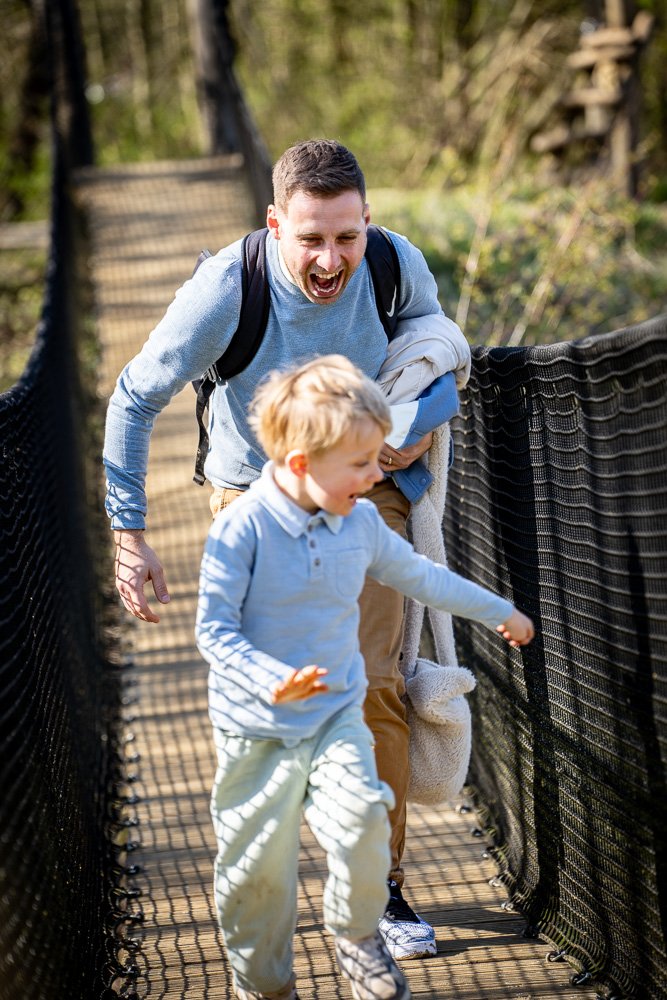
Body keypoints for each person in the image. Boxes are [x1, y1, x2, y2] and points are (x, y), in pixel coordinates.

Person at [104, 138, 472, 960]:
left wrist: (417, 424)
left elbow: (441, 353)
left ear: (367, 220)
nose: (331, 260)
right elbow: (133, 396)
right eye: (311, 239)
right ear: (275, 226)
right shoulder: (225, 289)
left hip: (365, 488)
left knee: (369, 684)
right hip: (254, 498)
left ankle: (377, 888)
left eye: (346, 236)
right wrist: (130, 537)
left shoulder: (394, 264)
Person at [196, 356, 534, 1000]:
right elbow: (216, 632)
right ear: (303, 465)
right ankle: (263, 984)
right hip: (258, 732)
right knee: (254, 874)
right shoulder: (242, 530)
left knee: (362, 826)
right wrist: (271, 680)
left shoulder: (358, 522)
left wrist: (498, 610)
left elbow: (421, 576)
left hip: (338, 721)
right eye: (361, 464)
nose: (378, 475)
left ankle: (358, 937)